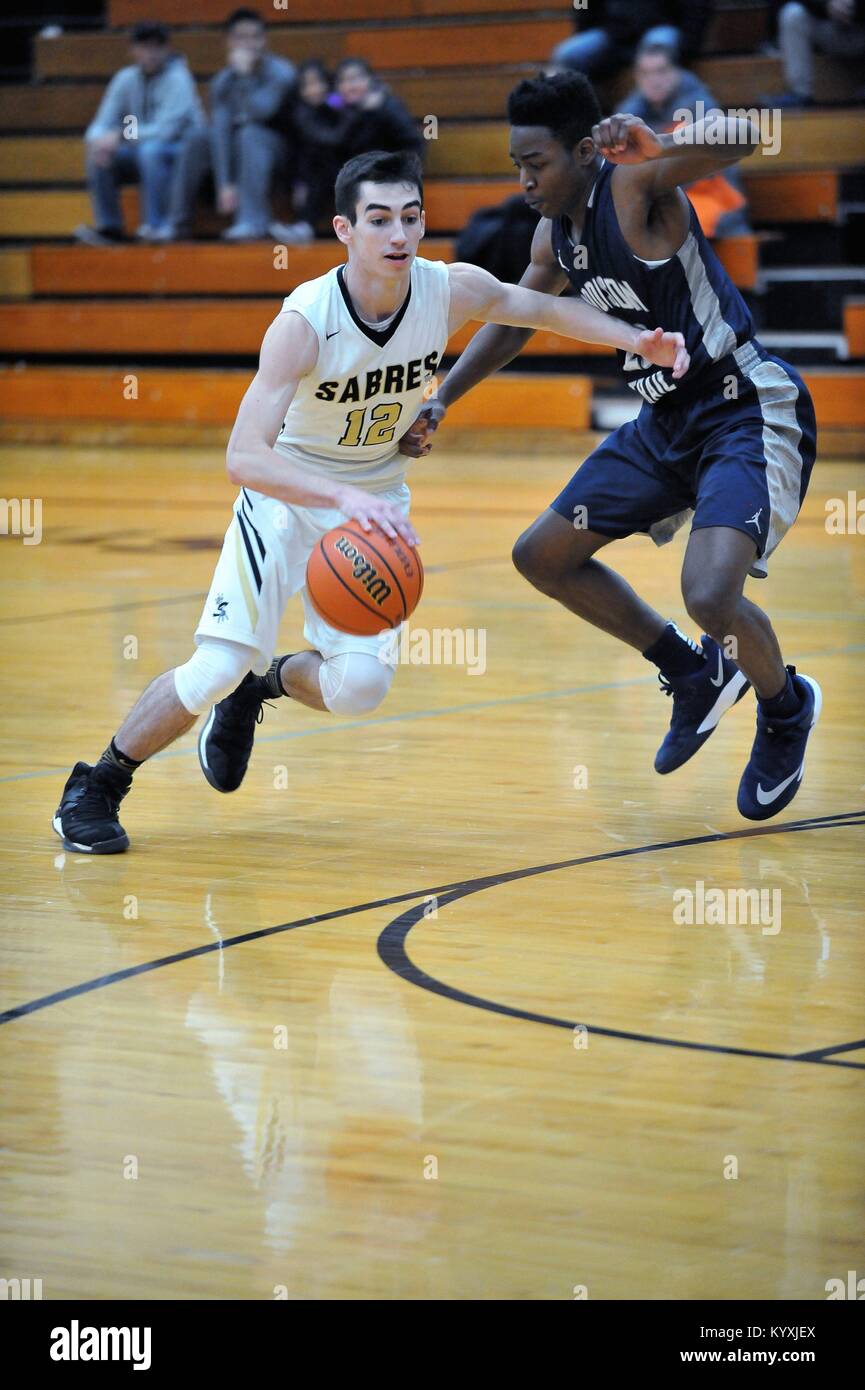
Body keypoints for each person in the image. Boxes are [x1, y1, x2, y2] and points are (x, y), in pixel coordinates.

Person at [51, 148, 687, 854]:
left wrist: (637, 339)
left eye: (410, 218)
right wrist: (338, 498)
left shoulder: (447, 289)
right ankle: (97, 784)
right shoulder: (303, 322)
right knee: (214, 663)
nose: (398, 235)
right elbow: (244, 459)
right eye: (379, 219)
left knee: (358, 688)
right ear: (343, 230)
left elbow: (532, 305)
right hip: (287, 491)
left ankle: (260, 689)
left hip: (374, 499)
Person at [401, 73, 820, 823]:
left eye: (537, 163)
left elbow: (751, 134)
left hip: (738, 410)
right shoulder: (551, 233)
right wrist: (443, 394)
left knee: (709, 594)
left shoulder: (634, 188)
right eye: (515, 165)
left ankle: (784, 706)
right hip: (662, 426)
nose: (524, 180)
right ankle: (690, 676)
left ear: (585, 150)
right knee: (541, 556)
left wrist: (663, 145)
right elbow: (513, 316)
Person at [166, 7, 296, 242]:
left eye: (254, 37)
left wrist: (245, 78)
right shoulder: (222, 81)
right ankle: (176, 223)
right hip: (240, 151)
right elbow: (220, 129)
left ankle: (252, 220)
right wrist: (225, 184)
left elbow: (260, 112)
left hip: (282, 154)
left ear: (264, 40)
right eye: (241, 37)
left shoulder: (282, 73)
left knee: (250, 133)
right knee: (197, 137)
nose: (249, 44)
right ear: (229, 42)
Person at [74, 21, 203, 245]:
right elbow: (100, 124)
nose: (151, 54)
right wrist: (100, 141)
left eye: (157, 47)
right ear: (133, 50)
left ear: (167, 49)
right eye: (145, 47)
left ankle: (157, 225)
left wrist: (121, 135)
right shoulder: (125, 79)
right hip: (143, 148)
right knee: (99, 155)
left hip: (184, 153)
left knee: (150, 151)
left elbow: (166, 131)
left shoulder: (178, 78)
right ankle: (110, 228)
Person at [620, 42, 750, 238]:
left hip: (712, 195)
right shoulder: (629, 111)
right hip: (659, 196)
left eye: (661, 71)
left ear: (676, 72)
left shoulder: (701, 108)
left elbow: (701, 170)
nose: (654, 80)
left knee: (675, 220)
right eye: (645, 74)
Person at [550, 1, 712, 80]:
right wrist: (584, 29)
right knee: (567, 53)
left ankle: (648, 122)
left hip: (662, 28)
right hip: (613, 32)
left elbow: (698, 5)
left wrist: (688, 46)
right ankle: (576, 120)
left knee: (658, 45)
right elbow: (581, 3)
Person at [765, 0, 865, 107]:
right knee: (793, 13)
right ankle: (800, 93)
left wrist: (855, 6)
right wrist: (827, 4)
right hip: (829, 29)